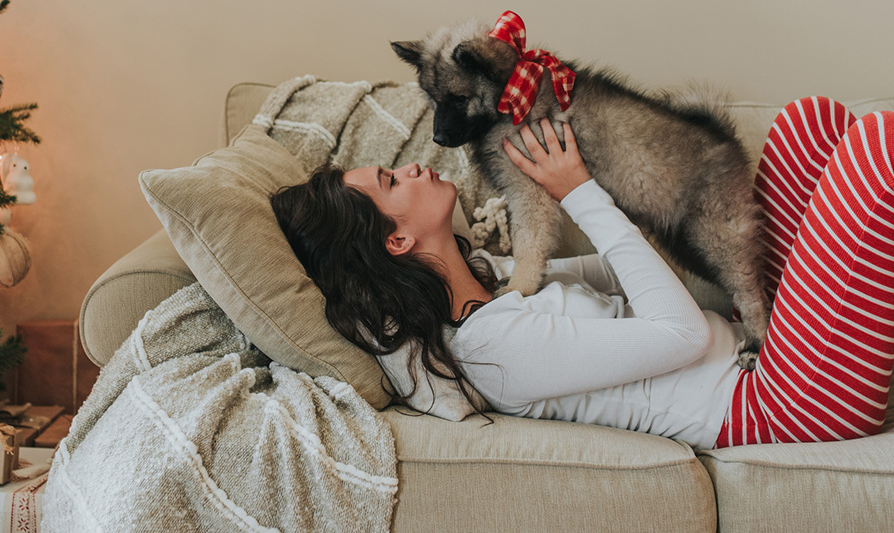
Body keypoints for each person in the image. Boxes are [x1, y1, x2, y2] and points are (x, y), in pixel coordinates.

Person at [271, 98, 894, 450]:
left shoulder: (490, 280)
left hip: (761, 347)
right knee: (879, 150)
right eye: (390, 181)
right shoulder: (490, 348)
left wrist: (611, 178)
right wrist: (581, 194)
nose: (411, 169)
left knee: (809, 125)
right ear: (398, 240)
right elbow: (682, 335)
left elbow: (624, 270)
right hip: (776, 405)